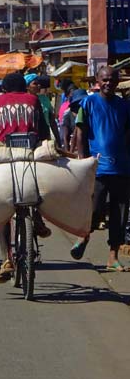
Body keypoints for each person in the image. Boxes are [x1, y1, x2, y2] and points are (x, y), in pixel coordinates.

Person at [0, 72, 51, 283]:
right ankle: (37, 219)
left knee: (3, 210)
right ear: (24, 87)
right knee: (38, 185)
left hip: (6, 157)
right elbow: (44, 131)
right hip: (30, 155)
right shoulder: (33, 100)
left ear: (4, 89)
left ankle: (6, 259)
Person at [71, 67, 130, 271]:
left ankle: (113, 256)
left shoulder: (124, 106)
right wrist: (84, 160)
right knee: (95, 209)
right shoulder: (88, 103)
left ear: (117, 82)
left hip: (122, 168)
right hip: (98, 167)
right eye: (104, 79)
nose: (108, 83)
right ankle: (84, 236)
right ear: (97, 80)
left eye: (112, 80)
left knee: (119, 214)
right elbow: (80, 132)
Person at [25, 73, 61, 146]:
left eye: (39, 84)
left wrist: (58, 140)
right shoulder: (24, 101)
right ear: (27, 87)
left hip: (44, 135)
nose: (39, 85)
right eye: (35, 84)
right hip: (28, 135)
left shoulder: (44, 99)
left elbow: (52, 121)